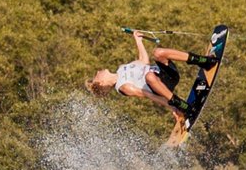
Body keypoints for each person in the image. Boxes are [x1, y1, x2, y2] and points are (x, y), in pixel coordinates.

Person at [87, 30, 218, 144]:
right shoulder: (123, 87)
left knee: (158, 52)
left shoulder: (121, 69)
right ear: (102, 83)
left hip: (167, 75)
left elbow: (144, 62)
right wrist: (172, 107)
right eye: (96, 76)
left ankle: (205, 61)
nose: (98, 72)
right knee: (149, 76)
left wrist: (138, 41)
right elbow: (149, 95)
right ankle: (184, 107)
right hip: (160, 86)